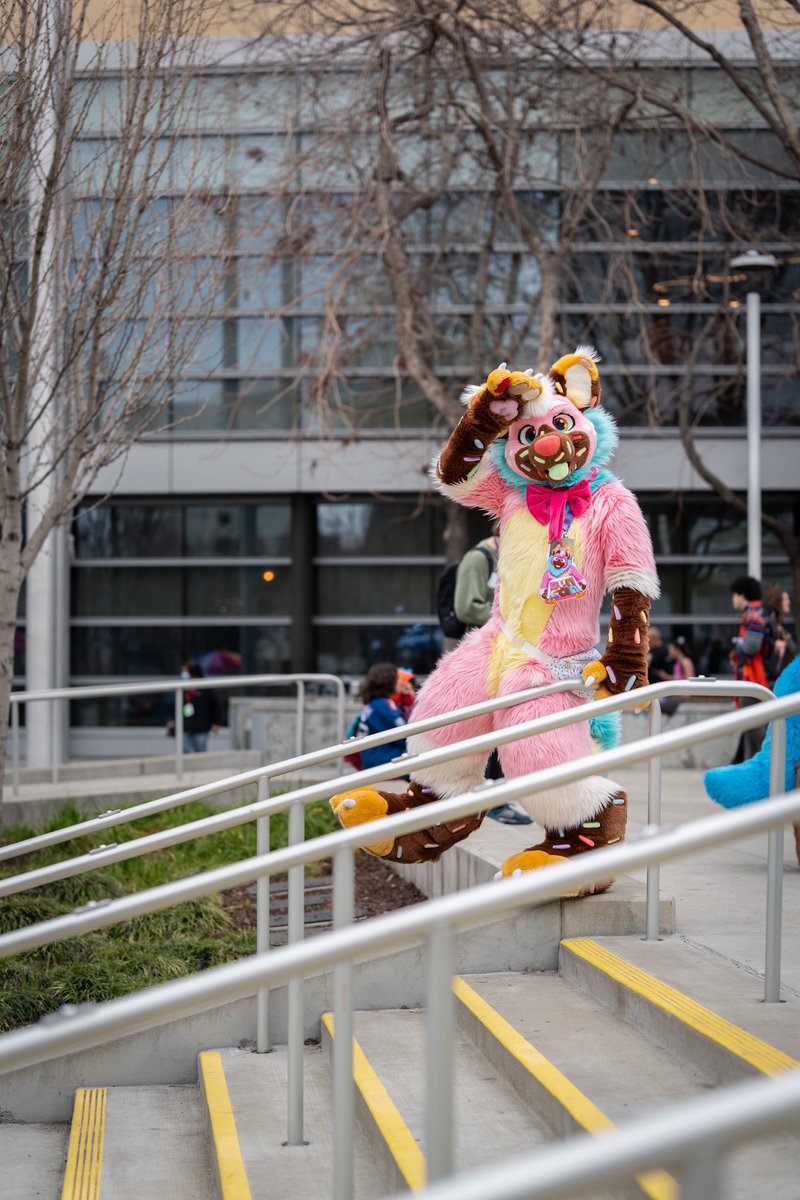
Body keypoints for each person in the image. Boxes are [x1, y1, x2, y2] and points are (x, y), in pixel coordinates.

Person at [455, 529, 532, 827]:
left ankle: (496, 797)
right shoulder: (479, 558)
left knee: (504, 725)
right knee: (489, 727)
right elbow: (466, 607)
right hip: (486, 657)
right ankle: (491, 800)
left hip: (508, 655)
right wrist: (512, 618)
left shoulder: (511, 558)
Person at [728, 575, 770, 763]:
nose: (732, 599)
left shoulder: (752, 614)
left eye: (734, 595)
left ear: (742, 594)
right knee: (751, 728)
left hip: (753, 679)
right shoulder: (759, 612)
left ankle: (761, 766)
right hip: (757, 679)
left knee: (753, 728)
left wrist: (737, 651)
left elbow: (752, 645)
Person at [352, 662, 409, 773]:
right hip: (382, 762)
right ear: (388, 681)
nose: (401, 681)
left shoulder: (379, 703)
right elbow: (403, 736)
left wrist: (407, 697)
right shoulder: (380, 705)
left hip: (381, 758)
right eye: (398, 678)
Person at [171, 660, 220, 753]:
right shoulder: (182, 687)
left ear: (193, 671)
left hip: (201, 728)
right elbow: (178, 706)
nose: (183, 674)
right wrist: (175, 721)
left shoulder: (206, 688)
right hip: (185, 727)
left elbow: (215, 706)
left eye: (186, 671)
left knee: (200, 753)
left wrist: (215, 723)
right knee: (184, 752)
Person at [763, 583, 797, 686]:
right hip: (774, 681)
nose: (788, 602)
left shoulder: (778, 624)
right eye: (785, 599)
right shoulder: (771, 624)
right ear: (778, 601)